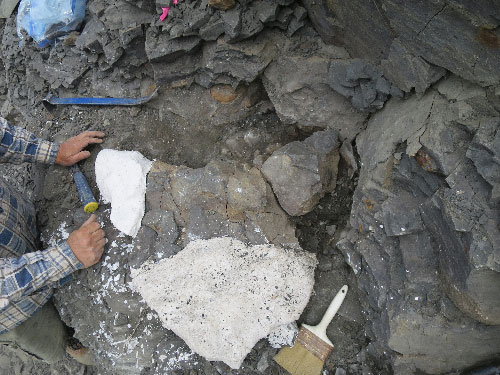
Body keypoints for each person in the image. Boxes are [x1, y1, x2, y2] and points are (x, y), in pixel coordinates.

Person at [0, 117, 106, 365]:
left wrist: (52, 151)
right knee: (46, 334)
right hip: (16, 309)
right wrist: (68, 256)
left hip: (16, 224)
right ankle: (68, 343)